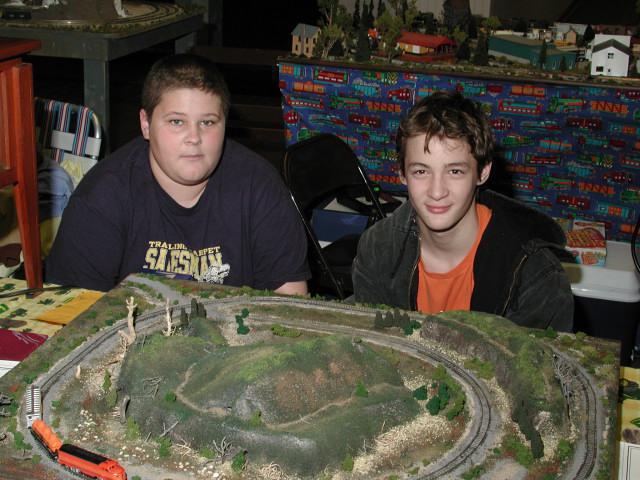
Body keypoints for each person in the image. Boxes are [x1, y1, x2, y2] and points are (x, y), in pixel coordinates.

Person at [46, 54, 310, 294]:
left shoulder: (259, 187)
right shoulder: (102, 197)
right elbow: (71, 310)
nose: (194, 137)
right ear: (146, 124)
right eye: (176, 121)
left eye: (207, 122)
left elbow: (291, 302)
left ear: (225, 124)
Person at [352, 91, 573, 331]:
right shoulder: (378, 250)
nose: (437, 191)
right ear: (402, 174)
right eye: (421, 171)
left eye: (455, 171)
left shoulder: (536, 277)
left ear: (482, 173)